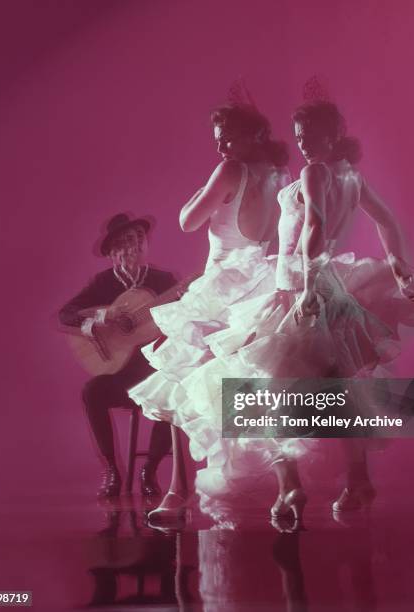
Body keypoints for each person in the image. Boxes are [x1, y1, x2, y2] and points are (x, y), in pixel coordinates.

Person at [153, 94, 414, 526]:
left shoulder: (313, 171)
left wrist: (306, 282)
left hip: (297, 287)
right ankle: (354, 480)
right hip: (324, 287)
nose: (302, 144)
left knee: (259, 385)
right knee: (334, 388)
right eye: (299, 137)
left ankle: (288, 489)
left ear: (335, 134)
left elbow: (314, 226)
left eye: (311, 136)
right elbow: (384, 221)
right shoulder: (347, 175)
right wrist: (396, 265)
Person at [128, 99, 291, 521]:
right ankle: (284, 488)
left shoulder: (230, 170)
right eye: (218, 143)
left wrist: (202, 191)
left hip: (224, 285)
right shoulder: (280, 173)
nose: (221, 149)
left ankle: (179, 490)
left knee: (181, 379)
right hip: (261, 279)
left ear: (253, 134)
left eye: (227, 139)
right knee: (250, 385)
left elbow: (187, 221)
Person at [59, 213, 176, 499]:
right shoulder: (103, 283)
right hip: (119, 375)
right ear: (112, 252)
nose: (133, 246)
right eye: (124, 242)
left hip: (153, 369)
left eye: (138, 239)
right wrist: (103, 317)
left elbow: (185, 312)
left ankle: (149, 469)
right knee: (92, 392)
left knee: (172, 390)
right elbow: (66, 315)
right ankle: (111, 469)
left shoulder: (164, 281)